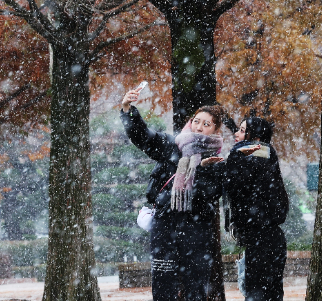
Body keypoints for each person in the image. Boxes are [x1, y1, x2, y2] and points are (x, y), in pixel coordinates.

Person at [119, 85, 226, 301]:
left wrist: (203, 170)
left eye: (206, 124)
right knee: (163, 284)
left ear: (215, 131)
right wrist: (128, 109)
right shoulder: (173, 145)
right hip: (165, 226)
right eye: (197, 121)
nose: (199, 127)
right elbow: (144, 137)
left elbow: (209, 196)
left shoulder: (216, 161)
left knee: (195, 286)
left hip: (197, 229)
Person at [203, 116, 289, 301]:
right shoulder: (263, 156)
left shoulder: (253, 157)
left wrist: (217, 165)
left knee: (257, 292)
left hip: (261, 240)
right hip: (267, 238)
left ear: (256, 138)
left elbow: (233, 182)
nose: (236, 134)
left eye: (242, 130)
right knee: (271, 293)